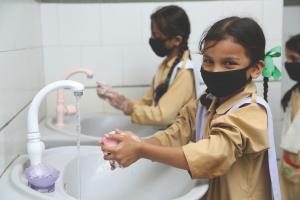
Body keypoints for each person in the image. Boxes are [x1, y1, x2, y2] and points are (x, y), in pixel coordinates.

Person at [100, 16, 281, 200]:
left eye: (229, 63)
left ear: (256, 68)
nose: (215, 70)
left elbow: (211, 156)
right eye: (209, 61)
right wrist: (135, 143)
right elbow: (174, 135)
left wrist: (141, 150)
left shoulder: (252, 112)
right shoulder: (204, 103)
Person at [96, 5, 201, 126]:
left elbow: (164, 116)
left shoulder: (184, 72)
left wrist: (128, 107)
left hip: (179, 142)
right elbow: (147, 102)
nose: (153, 40)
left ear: (177, 40)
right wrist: (117, 99)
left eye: (157, 36)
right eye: (152, 35)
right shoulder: (165, 66)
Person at [279, 34, 300, 200]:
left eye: (294, 59)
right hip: (290, 166)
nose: (289, 65)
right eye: (288, 59)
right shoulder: (294, 93)